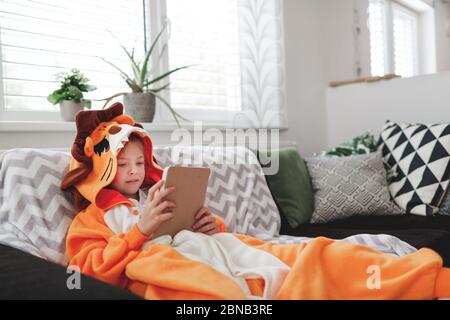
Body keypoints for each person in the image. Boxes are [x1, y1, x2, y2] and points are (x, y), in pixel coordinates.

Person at [61, 103, 450, 300]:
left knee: (319, 254)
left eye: (139, 162)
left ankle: (431, 279)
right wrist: (140, 232)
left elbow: (203, 233)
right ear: (103, 167)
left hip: (222, 248)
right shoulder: (93, 220)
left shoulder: (157, 194)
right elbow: (88, 270)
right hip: (176, 268)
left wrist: (211, 225)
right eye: (122, 163)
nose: (132, 171)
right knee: (276, 284)